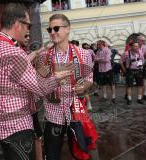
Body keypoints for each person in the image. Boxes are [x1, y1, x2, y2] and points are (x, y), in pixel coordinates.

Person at [0, 3, 72, 160]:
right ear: (17, 24)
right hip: (17, 126)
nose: (28, 30)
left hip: (1, 124)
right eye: (27, 25)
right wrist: (57, 76)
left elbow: (7, 74)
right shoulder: (13, 52)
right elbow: (41, 87)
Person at [39, 13, 96, 160]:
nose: (52, 33)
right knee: (52, 155)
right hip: (53, 114)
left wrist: (84, 87)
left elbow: (89, 79)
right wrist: (48, 76)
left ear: (67, 29)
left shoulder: (83, 54)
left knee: (80, 153)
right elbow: (38, 86)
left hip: (75, 112)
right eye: (49, 30)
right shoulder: (44, 56)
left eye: (56, 28)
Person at [137, 35, 146, 101]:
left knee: (144, 79)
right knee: (138, 81)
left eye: (144, 40)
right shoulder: (135, 47)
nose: (144, 41)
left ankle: (145, 94)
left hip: (143, 65)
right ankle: (128, 95)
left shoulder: (145, 47)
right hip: (135, 66)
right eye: (142, 40)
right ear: (138, 40)